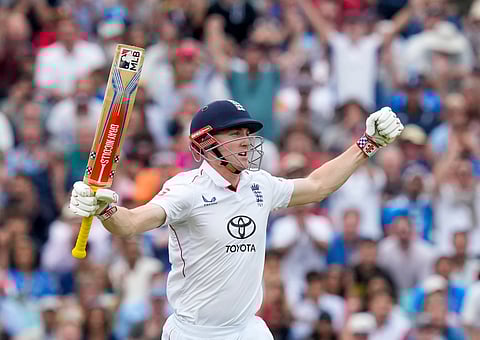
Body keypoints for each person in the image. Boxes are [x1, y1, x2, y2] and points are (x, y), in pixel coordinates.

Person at [69, 100, 403, 339]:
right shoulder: (186, 190)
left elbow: (317, 186)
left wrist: (368, 143)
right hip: (194, 332)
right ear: (204, 143)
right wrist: (105, 209)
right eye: (234, 133)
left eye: (247, 132)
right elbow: (130, 224)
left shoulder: (259, 184)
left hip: (247, 328)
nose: (246, 140)